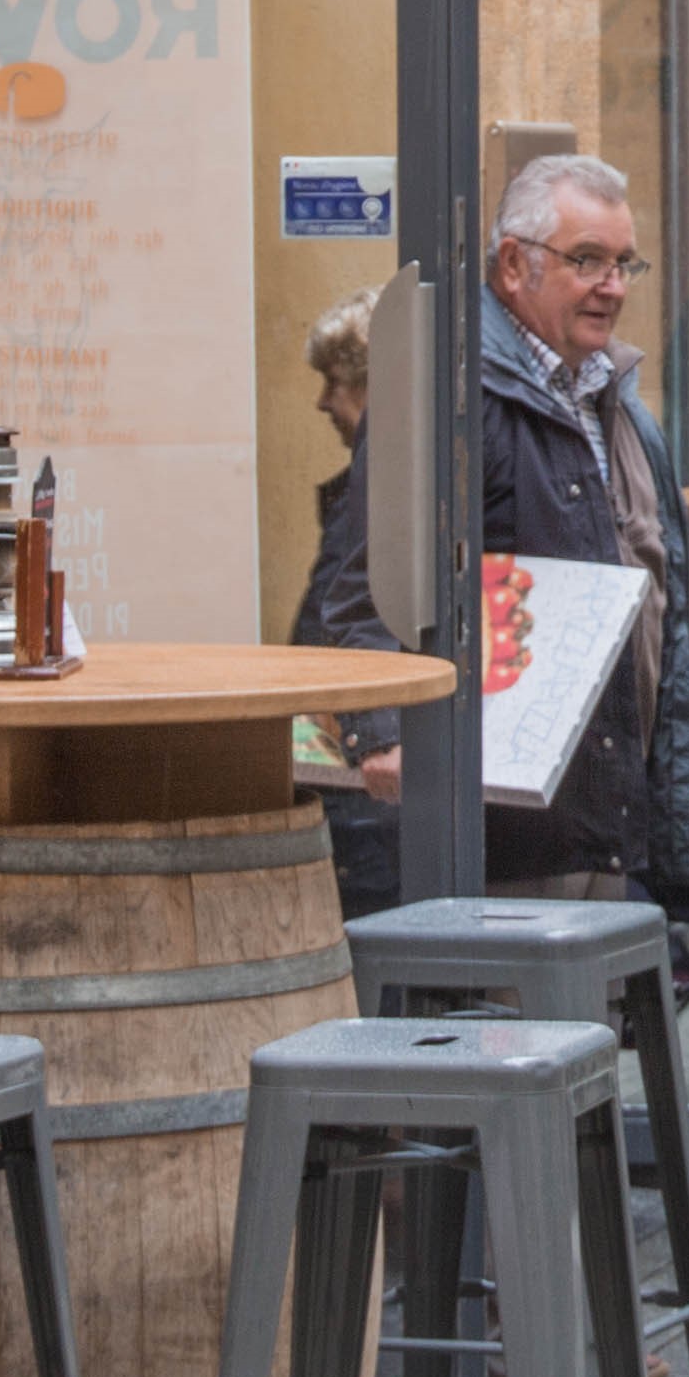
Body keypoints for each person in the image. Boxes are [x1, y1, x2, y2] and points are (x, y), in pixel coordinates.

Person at [469, 152, 689, 909]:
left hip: (607, 816)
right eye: (587, 261)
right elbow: (375, 581)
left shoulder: (618, 402)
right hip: (511, 833)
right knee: (532, 1028)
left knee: (598, 1027)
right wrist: (382, 738)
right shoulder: (461, 397)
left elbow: (665, 619)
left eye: (623, 264)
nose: (612, 286)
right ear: (515, 265)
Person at [287, 295, 410, 914]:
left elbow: (351, 605)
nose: (322, 403)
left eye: (333, 384)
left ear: (366, 383)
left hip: (362, 777)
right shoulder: (381, 468)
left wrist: (372, 734)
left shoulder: (385, 468)